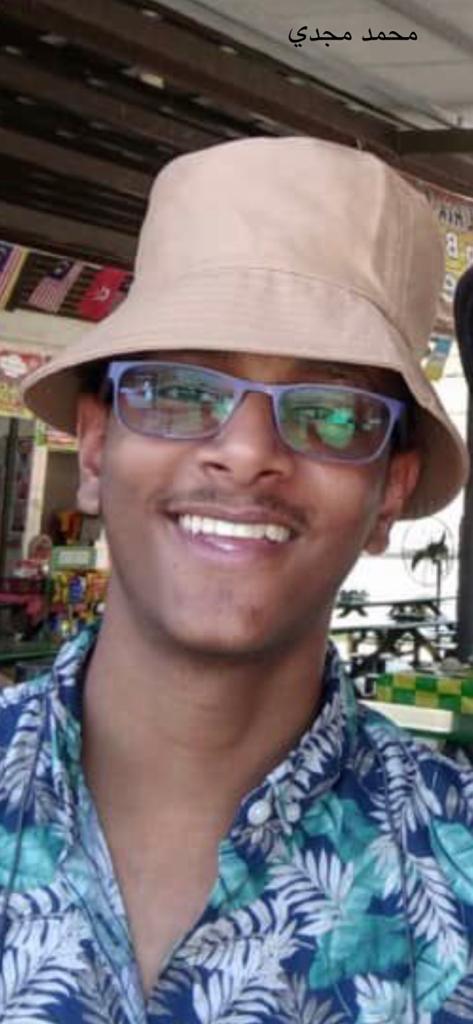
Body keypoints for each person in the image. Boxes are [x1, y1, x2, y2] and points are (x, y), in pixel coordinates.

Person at [1, 137, 472, 1024]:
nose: (247, 453)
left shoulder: (455, 871)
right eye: (179, 391)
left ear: (389, 493)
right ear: (96, 448)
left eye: (332, 413)